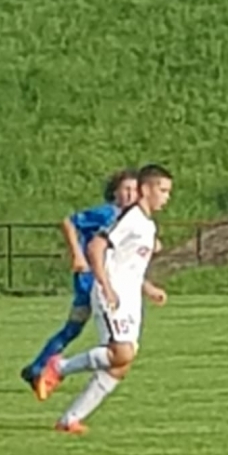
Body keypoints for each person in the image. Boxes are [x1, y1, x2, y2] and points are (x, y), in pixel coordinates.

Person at [34, 164, 172, 435]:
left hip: (130, 298)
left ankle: (70, 419)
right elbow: (96, 246)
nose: (167, 197)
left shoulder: (147, 224)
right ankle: (58, 367)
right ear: (146, 189)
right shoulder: (130, 218)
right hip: (112, 293)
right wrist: (106, 286)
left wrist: (148, 288)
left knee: (121, 365)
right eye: (163, 190)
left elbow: (127, 265)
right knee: (122, 352)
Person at [20, 169, 138, 389]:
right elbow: (69, 222)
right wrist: (77, 254)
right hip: (91, 278)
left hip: (107, 280)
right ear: (115, 192)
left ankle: (36, 368)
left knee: (74, 328)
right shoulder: (107, 213)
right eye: (126, 189)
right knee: (106, 332)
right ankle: (53, 369)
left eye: (135, 189)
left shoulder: (132, 220)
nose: (131, 194)